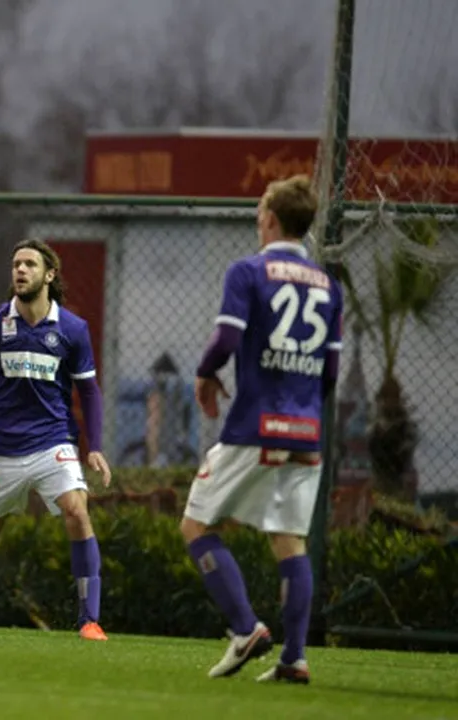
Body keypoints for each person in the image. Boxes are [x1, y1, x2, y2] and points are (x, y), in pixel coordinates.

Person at [181, 175, 342, 683]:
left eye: (258, 215)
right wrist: (304, 413)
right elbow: (331, 373)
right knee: (288, 540)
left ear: (271, 219)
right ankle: (294, 658)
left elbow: (227, 336)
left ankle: (244, 628)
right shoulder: (328, 285)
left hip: (255, 425)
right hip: (306, 430)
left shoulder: (249, 271)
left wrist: (206, 375)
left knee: (196, 526)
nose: (257, 222)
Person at [0, 239, 112, 640]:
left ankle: (89, 619)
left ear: (49, 275)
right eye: (16, 264)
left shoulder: (73, 329)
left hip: (53, 441)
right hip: (0, 447)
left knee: (77, 510)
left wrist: (95, 447)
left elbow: (88, 391)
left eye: (30, 265)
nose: (20, 270)